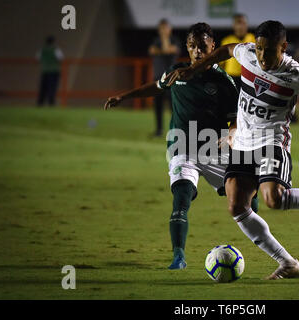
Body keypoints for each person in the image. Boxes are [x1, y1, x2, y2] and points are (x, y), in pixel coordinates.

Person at [165, 20, 299, 279]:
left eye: (268, 51)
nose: (261, 56)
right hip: (244, 143)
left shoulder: (296, 74)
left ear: (283, 47)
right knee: (236, 205)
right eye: (258, 49)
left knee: (273, 199)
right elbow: (225, 51)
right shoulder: (247, 53)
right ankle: (288, 263)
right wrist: (195, 69)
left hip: (272, 142)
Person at [104, 23, 258, 270]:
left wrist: (231, 135)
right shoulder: (177, 72)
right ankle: (178, 256)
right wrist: (124, 96)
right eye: (192, 46)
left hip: (215, 148)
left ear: (213, 47)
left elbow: (236, 120)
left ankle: (265, 246)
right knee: (182, 197)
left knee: (248, 199)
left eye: (202, 46)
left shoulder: (224, 81)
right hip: (183, 146)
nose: (197, 51)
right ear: (187, 47)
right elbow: (157, 86)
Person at [148, 19, 181, 136]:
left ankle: (177, 131)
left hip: (170, 78)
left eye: (165, 28)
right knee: (158, 105)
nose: (163, 31)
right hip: (157, 78)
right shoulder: (156, 41)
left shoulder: (174, 40)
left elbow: (168, 49)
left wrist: (163, 42)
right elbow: (152, 50)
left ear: (170, 29)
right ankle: (159, 130)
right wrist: (161, 48)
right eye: (161, 28)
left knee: (173, 106)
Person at [220, 13, 255, 89]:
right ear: (233, 25)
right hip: (231, 77)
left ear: (247, 25)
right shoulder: (227, 40)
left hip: (249, 77)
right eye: (238, 23)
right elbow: (221, 63)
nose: (240, 26)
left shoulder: (253, 39)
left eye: (243, 23)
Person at [36, 36, 64, 106]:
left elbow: (38, 58)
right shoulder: (55, 49)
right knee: (52, 88)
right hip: (54, 71)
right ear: (53, 42)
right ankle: (51, 103)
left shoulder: (42, 50)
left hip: (45, 71)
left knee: (43, 88)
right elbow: (61, 58)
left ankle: (40, 103)